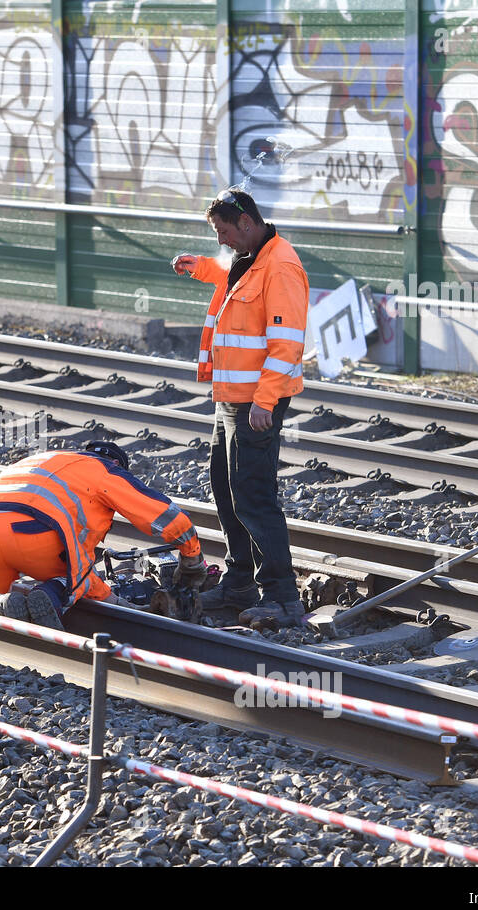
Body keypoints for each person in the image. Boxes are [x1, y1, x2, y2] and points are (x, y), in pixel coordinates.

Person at [171, 188, 308, 627]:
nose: (222, 241)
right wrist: (200, 268)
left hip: (255, 402)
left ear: (246, 223)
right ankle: (240, 583)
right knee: (226, 492)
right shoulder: (251, 256)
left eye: (224, 232)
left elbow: (286, 343)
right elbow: (231, 274)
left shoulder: (282, 265)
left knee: (253, 495)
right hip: (231, 397)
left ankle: (282, 598)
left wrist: (265, 401)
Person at [0, 441, 207, 629]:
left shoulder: (46, 460)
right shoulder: (104, 469)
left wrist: (118, 603)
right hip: (34, 536)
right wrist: (191, 555)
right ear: (117, 464)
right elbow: (162, 514)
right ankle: (51, 595)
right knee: (72, 577)